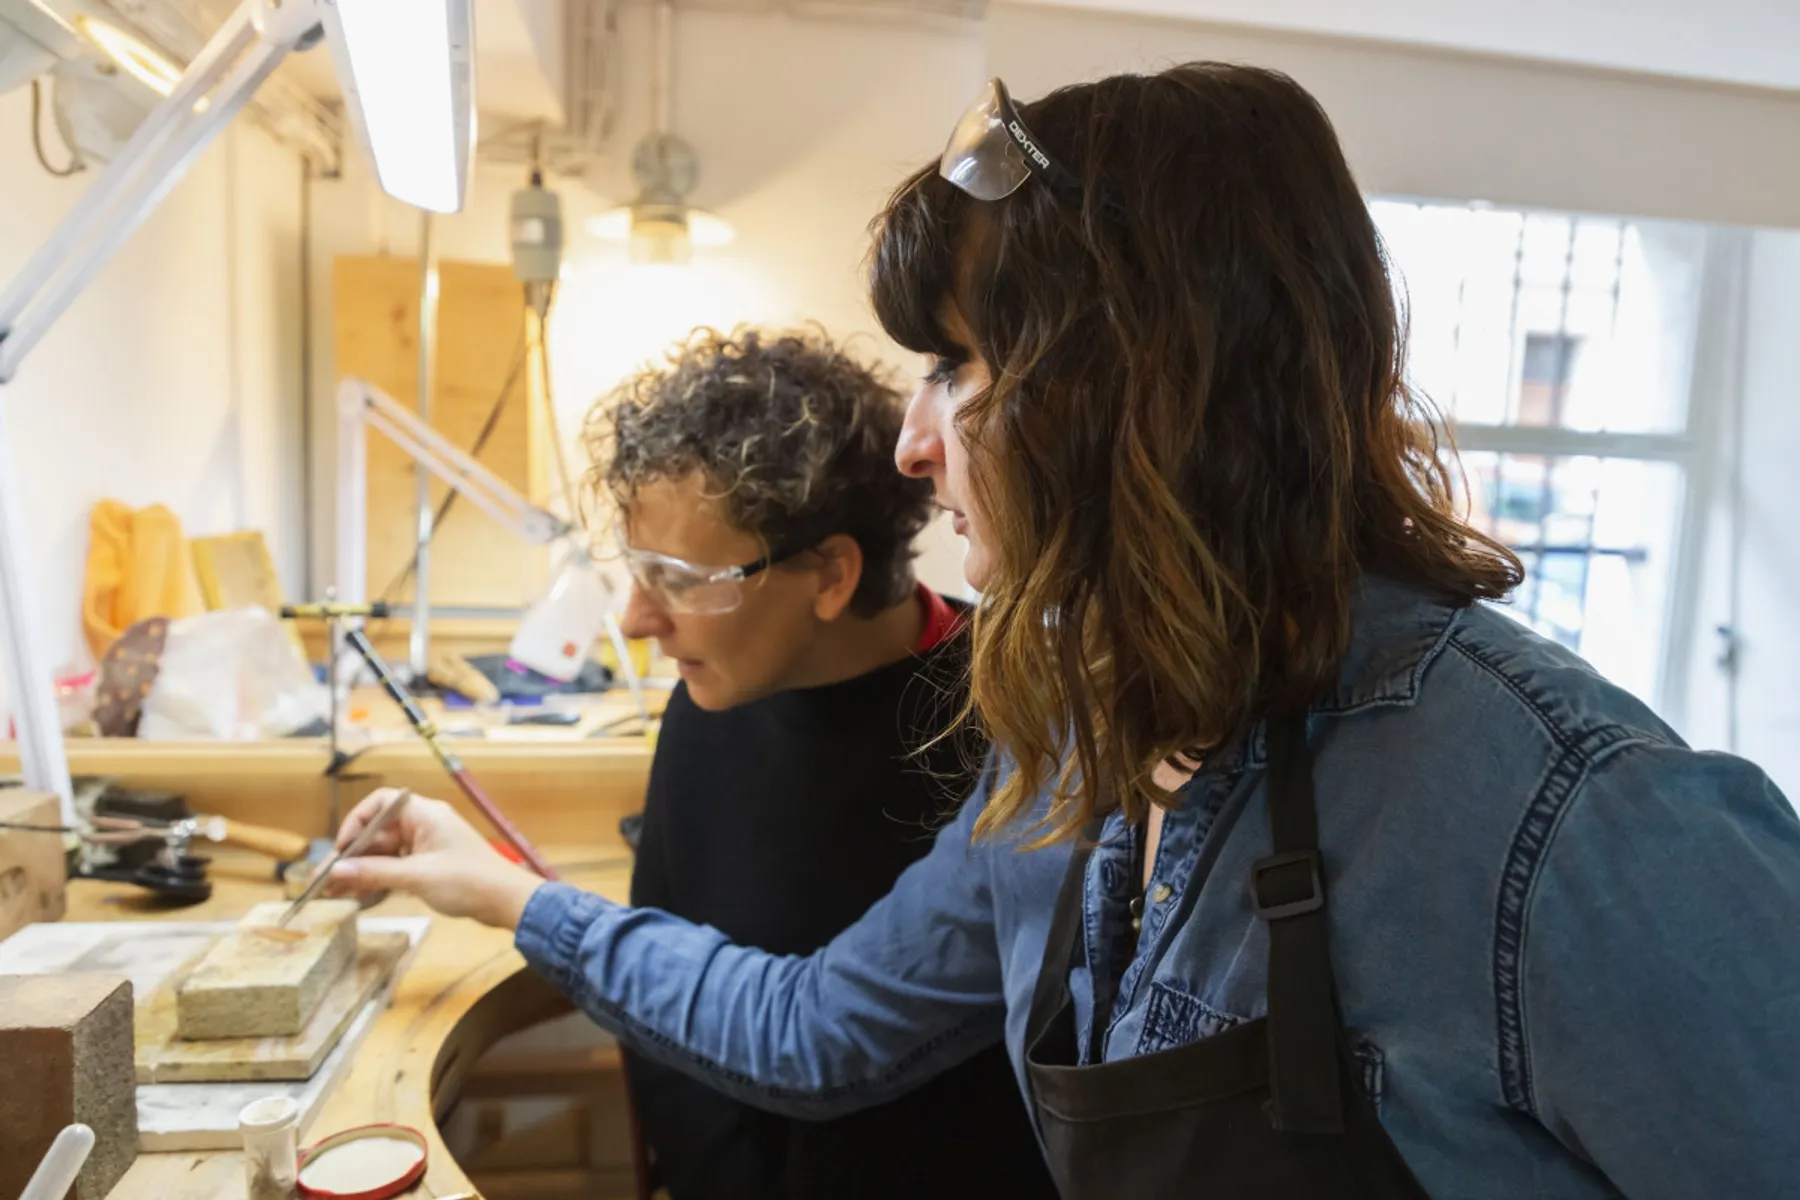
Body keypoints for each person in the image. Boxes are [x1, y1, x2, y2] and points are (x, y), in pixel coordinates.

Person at [326, 63, 1800, 1199]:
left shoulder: (1568, 821)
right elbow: (815, 1030)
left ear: (1132, 390)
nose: (911, 446)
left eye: (957, 366)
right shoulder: (1081, 753)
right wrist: (507, 895)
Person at [584, 326, 1053, 1199]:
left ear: (831, 575)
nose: (639, 619)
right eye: (634, 571)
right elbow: (664, 1007)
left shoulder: (1020, 711)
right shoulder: (706, 703)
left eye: (680, 578)